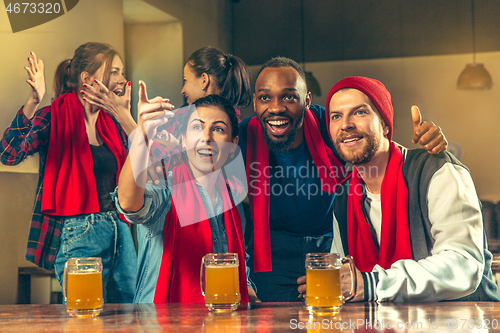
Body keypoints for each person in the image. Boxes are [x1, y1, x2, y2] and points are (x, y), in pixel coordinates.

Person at [238, 57, 448, 302]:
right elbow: (207, 185)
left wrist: (428, 145)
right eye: (265, 97)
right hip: (272, 254)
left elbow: (371, 143)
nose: (276, 108)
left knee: (338, 320)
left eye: (289, 97)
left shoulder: (329, 124)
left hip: (332, 248)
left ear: (306, 101)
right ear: (254, 102)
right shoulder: (242, 136)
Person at [297, 76, 500, 302]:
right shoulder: (341, 199)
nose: (345, 124)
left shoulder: (438, 170)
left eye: (360, 112)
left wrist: (372, 284)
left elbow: (464, 265)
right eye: (336, 116)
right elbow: (347, 280)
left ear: (385, 125)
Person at [0, 43, 137, 303]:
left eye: (122, 72)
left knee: (130, 316)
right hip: (79, 230)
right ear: (87, 79)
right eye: (115, 72)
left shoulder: (113, 122)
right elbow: (8, 153)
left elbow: (146, 166)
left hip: (120, 228)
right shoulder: (52, 117)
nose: (122, 79)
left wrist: (124, 117)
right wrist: (33, 101)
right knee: (85, 317)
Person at [113, 86, 256, 303]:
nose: (207, 137)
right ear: (183, 140)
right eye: (197, 128)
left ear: (232, 144)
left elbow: (236, 264)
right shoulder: (163, 184)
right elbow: (129, 203)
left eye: (218, 129)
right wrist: (141, 136)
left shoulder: (233, 204)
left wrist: (249, 293)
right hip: (160, 325)